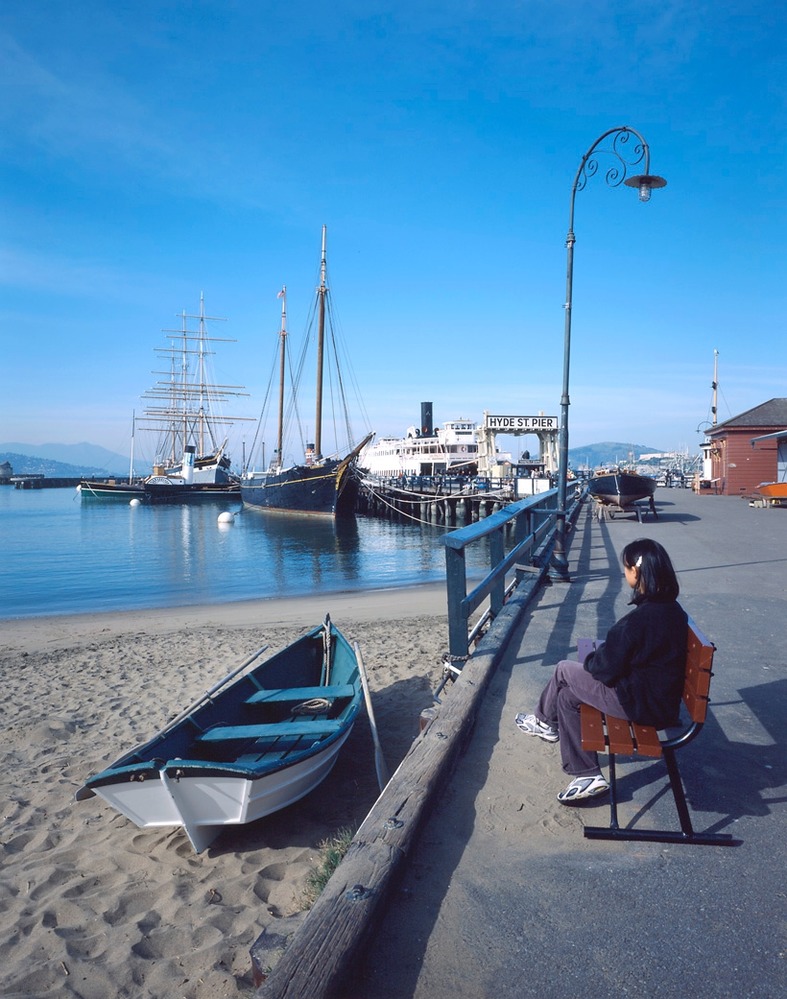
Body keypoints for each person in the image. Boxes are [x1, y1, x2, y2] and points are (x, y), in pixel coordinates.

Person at [515, 538, 688, 803]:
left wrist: (593, 660)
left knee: (564, 670)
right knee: (567, 697)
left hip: (641, 704)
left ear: (637, 573)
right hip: (656, 699)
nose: (625, 572)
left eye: (627, 568)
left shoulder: (641, 619)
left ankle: (543, 722)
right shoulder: (671, 610)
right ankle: (586, 774)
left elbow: (604, 668)